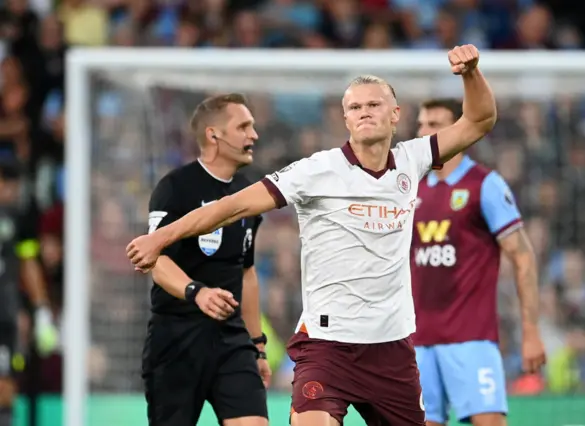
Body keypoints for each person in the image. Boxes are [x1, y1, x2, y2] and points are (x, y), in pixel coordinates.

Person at [128, 45, 495, 426]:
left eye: (374, 104)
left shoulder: (412, 159)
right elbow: (232, 206)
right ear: (346, 119)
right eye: (355, 107)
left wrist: (470, 74)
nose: (365, 112)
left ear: (395, 114)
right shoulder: (316, 171)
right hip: (327, 344)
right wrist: (161, 238)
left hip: (392, 348)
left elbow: (479, 120)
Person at [410, 98, 547, 426]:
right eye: (421, 125)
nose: (424, 132)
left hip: (471, 338)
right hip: (416, 341)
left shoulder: (484, 185)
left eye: (434, 125)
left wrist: (530, 330)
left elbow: (522, 256)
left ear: (458, 130)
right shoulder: (408, 188)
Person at [141, 94, 270, 426]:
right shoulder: (175, 188)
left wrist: (258, 345)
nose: (253, 135)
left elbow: (247, 273)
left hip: (231, 339)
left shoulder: (247, 194)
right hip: (177, 339)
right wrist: (197, 292)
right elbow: (156, 261)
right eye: (243, 126)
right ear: (214, 135)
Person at [0, 163, 58, 426]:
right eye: (7, 184)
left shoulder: (19, 217)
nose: (11, 191)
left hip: (6, 312)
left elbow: (28, 264)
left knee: (5, 380)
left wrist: (41, 308)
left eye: (14, 184)